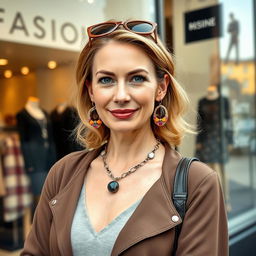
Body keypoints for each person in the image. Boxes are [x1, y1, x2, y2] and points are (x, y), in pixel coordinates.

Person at [21, 20, 228, 256]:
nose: (120, 95)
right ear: (91, 91)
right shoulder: (63, 173)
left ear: (161, 87)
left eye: (137, 78)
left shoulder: (197, 184)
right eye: (106, 80)